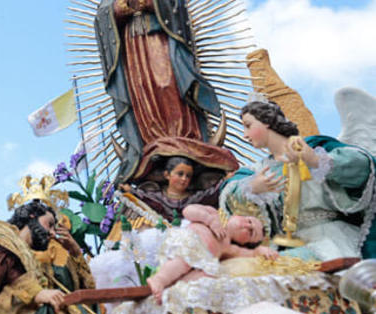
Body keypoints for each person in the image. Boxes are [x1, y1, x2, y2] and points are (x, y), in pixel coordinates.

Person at [92, 0, 227, 182]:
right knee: (142, 90)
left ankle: (183, 138)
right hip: (133, 47)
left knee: (167, 85)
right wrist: (119, 9)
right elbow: (101, 20)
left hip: (159, 42)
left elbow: (175, 0)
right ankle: (152, 141)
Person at [220, 100, 376, 262]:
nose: (244, 134)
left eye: (248, 125)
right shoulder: (257, 170)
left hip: (329, 238)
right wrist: (252, 187)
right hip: (286, 245)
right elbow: (232, 191)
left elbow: (362, 168)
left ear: (266, 122)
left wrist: (317, 161)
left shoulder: (316, 147)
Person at [146, 204, 275, 303]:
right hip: (188, 244)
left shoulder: (228, 247)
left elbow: (248, 253)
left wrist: (260, 251)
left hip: (201, 262)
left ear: (244, 241)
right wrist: (209, 220)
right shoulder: (214, 214)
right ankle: (159, 280)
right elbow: (188, 211)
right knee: (182, 262)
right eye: (249, 221)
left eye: (251, 232)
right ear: (237, 215)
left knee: (210, 275)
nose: (247, 226)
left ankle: (174, 291)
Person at [121, 156, 226, 221]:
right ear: (167, 175)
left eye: (188, 175)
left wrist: (225, 180)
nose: (184, 179)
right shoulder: (158, 197)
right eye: (180, 174)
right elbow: (143, 197)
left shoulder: (195, 198)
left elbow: (211, 194)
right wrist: (130, 190)